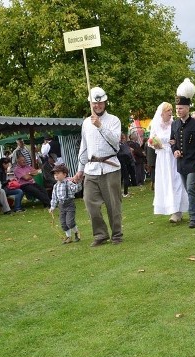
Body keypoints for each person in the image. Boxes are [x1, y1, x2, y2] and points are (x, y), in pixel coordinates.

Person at [73, 86, 123, 246]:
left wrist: (100, 126)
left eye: (100, 103)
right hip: (91, 169)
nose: (97, 106)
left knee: (113, 204)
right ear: (90, 104)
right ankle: (100, 234)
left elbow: (116, 142)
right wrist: (80, 170)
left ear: (105, 102)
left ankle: (117, 234)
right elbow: (84, 147)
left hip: (110, 167)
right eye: (95, 103)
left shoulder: (114, 120)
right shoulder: (86, 123)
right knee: (89, 203)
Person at [170, 78, 195, 228]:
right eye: (177, 108)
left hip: (194, 163)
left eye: (180, 108)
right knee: (189, 190)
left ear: (187, 108)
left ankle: (193, 217)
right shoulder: (175, 124)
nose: (178, 110)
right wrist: (175, 151)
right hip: (181, 163)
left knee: (191, 188)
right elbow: (172, 141)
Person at [149, 101, 189, 223]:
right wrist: (155, 145)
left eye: (171, 110)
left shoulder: (174, 124)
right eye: (168, 111)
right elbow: (150, 141)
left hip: (173, 156)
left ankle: (178, 210)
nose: (171, 113)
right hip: (162, 158)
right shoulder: (156, 125)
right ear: (161, 113)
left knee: (177, 181)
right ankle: (171, 208)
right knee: (166, 183)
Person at [49, 164, 82, 244]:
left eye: (58, 173)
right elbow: (54, 197)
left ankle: (76, 232)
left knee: (70, 222)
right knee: (63, 223)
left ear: (64, 174)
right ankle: (68, 237)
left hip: (69, 204)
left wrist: (78, 183)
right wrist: (52, 207)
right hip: (61, 206)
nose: (56, 175)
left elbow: (76, 189)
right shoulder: (55, 186)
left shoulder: (69, 183)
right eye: (54, 174)